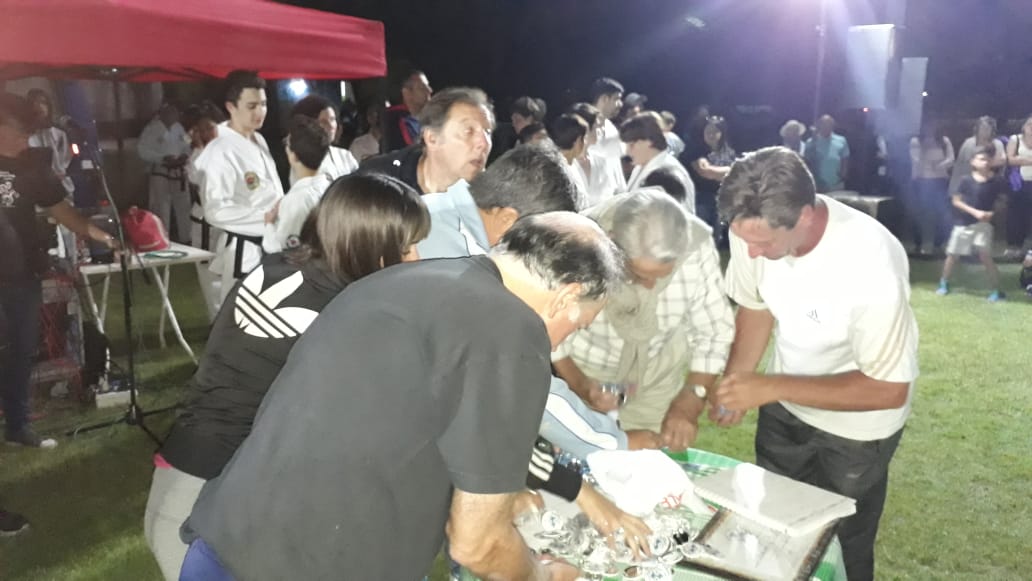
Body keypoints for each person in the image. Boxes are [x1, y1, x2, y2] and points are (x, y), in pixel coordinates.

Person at [179, 212, 624, 581]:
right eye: (577, 326)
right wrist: (541, 574)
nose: (561, 343)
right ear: (566, 296)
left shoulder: (403, 280)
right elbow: (477, 544)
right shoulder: (512, 329)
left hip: (226, 539)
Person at [145, 173, 430, 580]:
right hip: (211, 515)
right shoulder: (344, 316)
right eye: (404, 248)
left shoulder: (281, 266)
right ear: (367, 244)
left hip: (186, 475)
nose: (416, 259)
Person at [417, 144, 654, 559]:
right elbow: (517, 380)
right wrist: (610, 444)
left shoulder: (437, 218)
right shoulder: (460, 262)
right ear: (513, 224)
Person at [713, 147, 919, 581]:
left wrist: (770, 387)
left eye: (763, 243)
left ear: (805, 217)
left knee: (841, 548)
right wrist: (739, 380)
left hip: (857, 433)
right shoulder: (751, 228)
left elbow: (888, 388)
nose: (751, 252)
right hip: (783, 408)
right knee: (775, 532)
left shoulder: (870, 262)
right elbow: (756, 306)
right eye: (743, 239)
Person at [553, 190, 734, 449]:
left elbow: (713, 333)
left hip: (656, 378)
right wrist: (582, 387)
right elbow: (550, 332)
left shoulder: (696, 246)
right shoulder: (576, 242)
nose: (650, 288)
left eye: (663, 276)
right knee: (578, 458)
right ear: (611, 244)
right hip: (580, 370)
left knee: (648, 462)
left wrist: (691, 399)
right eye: (639, 275)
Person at [0, 93, 118, 448]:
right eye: (19, 132)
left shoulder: (32, 165)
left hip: (21, 271)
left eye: (28, 133)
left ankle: (17, 426)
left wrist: (95, 232)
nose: (25, 140)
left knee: (21, 350)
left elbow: (59, 208)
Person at [194, 70, 284, 309]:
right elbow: (215, 210)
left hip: (272, 244)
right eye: (252, 106)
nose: (260, 112)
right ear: (231, 107)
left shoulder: (259, 140)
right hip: (245, 252)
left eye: (263, 104)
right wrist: (264, 217)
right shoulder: (220, 149)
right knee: (241, 320)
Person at [361, 87, 493, 196]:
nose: (484, 143)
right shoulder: (376, 184)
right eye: (468, 131)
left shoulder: (491, 199)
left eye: (487, 132)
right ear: (432, 138)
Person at [938, 146, 1004, 301]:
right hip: (963, 223)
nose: (985, 162)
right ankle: (944, 283)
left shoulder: (996, 181)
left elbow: (1001, 201)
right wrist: (975, 212)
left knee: (985, 256)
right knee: (953, 255)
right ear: (973, 162)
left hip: (984, 225)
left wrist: (992, 213)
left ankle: (996, 290)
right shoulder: (965, 180)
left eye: (988, 159)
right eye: (981, 159)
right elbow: (956, 201)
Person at [262, 116, 331, 253]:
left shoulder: (295, 200)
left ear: (294, 156)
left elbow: (277, 248)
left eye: (287, 144)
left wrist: (269, 224)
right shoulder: (330, 187)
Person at [137, 102, 192, 243]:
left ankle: (186, 239)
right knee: (161, 207)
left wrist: (185, 155)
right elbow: (142, 150)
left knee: (184, 207)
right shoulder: (152, 129)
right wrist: (162, 158)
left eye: (175, 113)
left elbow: (187, 146)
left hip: (179, 172)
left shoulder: (179, 128)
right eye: (170, 112)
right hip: (160, 171)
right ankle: (162, 239)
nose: (174, 115)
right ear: (162, 114)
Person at [621, 111, 696, 212]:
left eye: (631, 145)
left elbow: (678, 216)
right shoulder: (639, 167)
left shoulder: (671, 172)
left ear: (648, 141)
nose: (627, 151)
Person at [288, 95, 358, 185]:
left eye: (332, 119)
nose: (331, 126)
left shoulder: (345, 156)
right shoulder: (302, 161)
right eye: (323, 122)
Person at [907, 122, 955, 256]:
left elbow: (951, 158)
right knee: (921, 213)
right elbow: (915, 159)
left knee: (941, 213)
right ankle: (918, 244)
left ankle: (938, 244)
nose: (930, 128)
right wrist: (926, 154)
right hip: (921, 180)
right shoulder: (916, 141)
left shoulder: (944, 141)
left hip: (940, 180)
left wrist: (939, 165)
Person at [688, 115, 736, 234]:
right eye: (708, 131)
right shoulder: (696, 150)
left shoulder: (730, 151)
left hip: (724, 198)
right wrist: (730, 170)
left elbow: (738, 173)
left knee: (718, 234)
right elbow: (706, 172)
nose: (711, 135)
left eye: (715, 131)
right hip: (702, 198)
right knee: (700, 233)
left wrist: (728, 172)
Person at [570, 103, 622, 208]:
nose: (601, 130)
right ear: (584, 129)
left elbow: (611, 195)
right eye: (596, 126)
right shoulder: (566, 162)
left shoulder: (602, 161)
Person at [26, 89, 74, 198]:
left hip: (61, 188)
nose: (40, 106)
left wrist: (59, 174)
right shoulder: (25, 135)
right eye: (35, 102)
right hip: (36, 190)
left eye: (43, 102)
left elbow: (65, 160)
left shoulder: (59, 133)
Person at [948, 116, 1007, 203]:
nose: (985, 131)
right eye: (982, 128)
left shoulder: (998, 144)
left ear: (992, 130)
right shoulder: (968, 143)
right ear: (977, 129)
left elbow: (1002, 162)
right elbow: (960, 166)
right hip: (967, 186)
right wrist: (954, 189)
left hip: (989, 187)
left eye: (988, 128)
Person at [587, 77, 627, 191]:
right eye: (617, 99)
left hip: (612, 196)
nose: (621, 104)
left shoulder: (611, 128)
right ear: (604, 98)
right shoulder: (584, 127)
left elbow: (615, 166)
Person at [382, 70, 433, 153]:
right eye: (422, 87)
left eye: (428, 86)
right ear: (406, 93)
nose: (430, 90)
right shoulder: (394, 122)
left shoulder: (429, 119)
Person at [1004, 115, 1032, 260]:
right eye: (1029, 124)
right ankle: (1014, 246)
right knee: (1016, 215)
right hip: (1018, 183)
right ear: (1024, 126)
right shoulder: (1015, 139)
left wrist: (1023, 160)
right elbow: (1010, 159)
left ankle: (1027, 248)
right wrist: (1028, 161)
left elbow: (1018, 159)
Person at [489, 96, 547, 164]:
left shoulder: (541, 148)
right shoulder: (514, 139)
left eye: (518, 120)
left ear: (531, 120)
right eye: (512, 120)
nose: (514, 124)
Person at [551, 113, 590, 207]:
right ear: (578, 141)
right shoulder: (557, 170)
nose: (586, 143)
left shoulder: (572, 163)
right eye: (585, 138)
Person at [804, 114, 850, 192]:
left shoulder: (842, 140)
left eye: (829, 124)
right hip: (816, 185)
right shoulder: (810, 142)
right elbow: (807, 161)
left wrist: (843, 175)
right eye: (824, 124)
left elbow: (845, 158)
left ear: (833, 126)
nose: (826, 127)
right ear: (819, 125)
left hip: (836, 184)